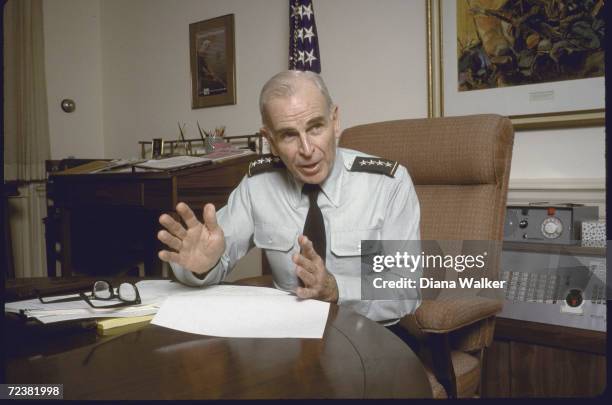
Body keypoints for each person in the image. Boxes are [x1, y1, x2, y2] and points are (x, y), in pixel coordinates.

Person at [157, 70, 421, 324]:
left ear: (335, 121)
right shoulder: (257, 185)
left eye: (316, 127)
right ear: (270, 140)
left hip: (371, 337)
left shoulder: (389, 184)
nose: (307, 150)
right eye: (288, 135)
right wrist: (201, 267)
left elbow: (408, 289)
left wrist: (336, 289)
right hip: (288, 338)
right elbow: (211, 257)